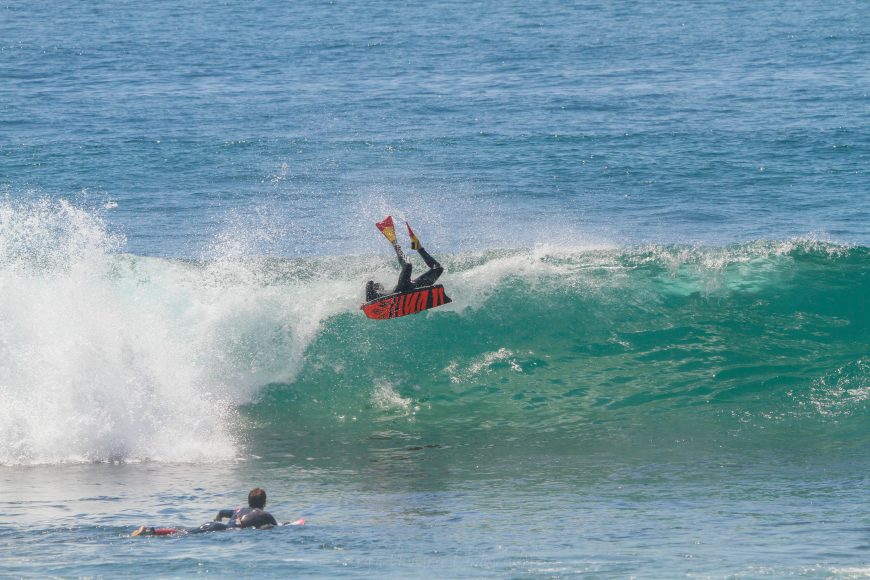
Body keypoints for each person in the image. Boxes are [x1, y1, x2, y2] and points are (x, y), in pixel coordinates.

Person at [131, 487, 279, 536]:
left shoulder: (238, 509)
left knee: (184, 532)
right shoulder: (264, 515)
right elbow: (277, 527)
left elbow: (221, 512)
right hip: (222, 529)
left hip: (215, 524)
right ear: (264, 503)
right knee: (183, 535)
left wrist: (218, 520)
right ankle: (148, 531)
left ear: (249, 501)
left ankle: (150, 530)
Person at [365, 216, 444, 302]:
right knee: (408, 265)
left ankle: (418, 247)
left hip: (413, 286)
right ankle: (395, 244)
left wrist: (419, 248)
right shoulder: (374, 291)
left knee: (438, 268)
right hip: (403, 288)